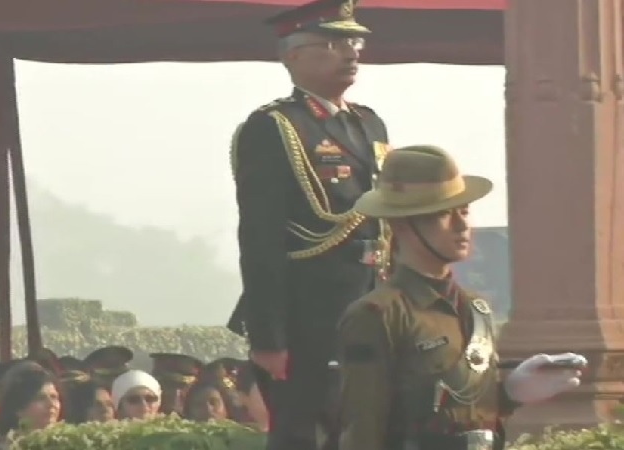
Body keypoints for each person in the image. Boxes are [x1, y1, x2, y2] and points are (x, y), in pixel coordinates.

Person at [336, 145, 587, 450]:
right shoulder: (379, 314)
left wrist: (507, 392)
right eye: (442, 214)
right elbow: (363, 428)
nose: (461, 225)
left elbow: (468, 411)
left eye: (464, 211)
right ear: (401, 225)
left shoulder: (475, 308)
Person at [227, 0, 391, 448]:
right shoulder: (275, 127)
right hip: (308, 312)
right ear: (293, 55)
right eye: (335, 43)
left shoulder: (369, 124)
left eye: (354, 41)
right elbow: (260, 239)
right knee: (303, 431)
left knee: (364, 426)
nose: (351, 52)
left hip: (368, 302)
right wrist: (269, 336)